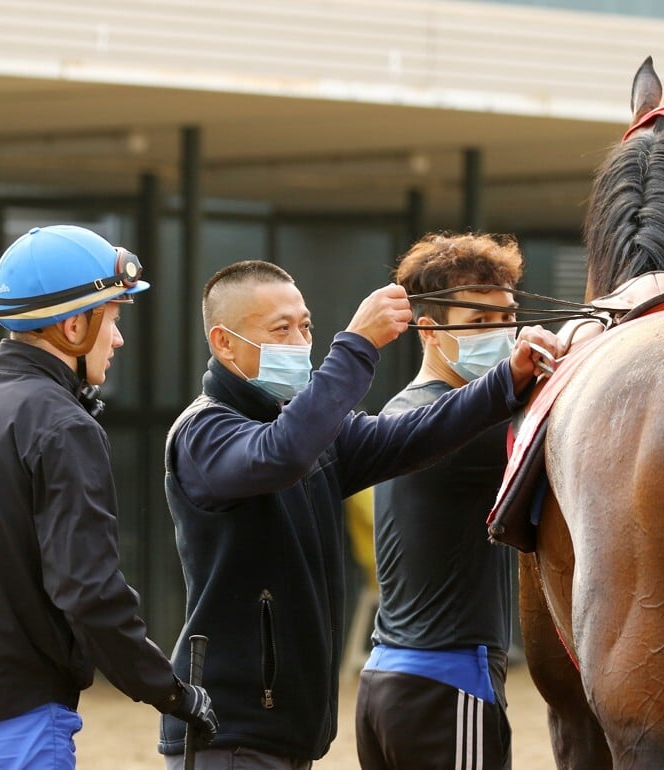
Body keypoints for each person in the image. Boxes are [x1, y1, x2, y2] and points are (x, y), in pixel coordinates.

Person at [158, 258, 562, 769]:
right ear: (224, 343)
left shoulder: (309, 430)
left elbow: (414, 434)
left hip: (285, 733)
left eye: (305, 326)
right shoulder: (203, 433)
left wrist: (510, 375)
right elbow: (282, 453)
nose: (299, 341)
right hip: (229, 729)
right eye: (280, 329)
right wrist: (358, 343)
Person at [0, 225, 217, 770]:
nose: (117, 338)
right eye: (112, 318)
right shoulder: (60, 424)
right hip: (16, 720)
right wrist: (170, 691)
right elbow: (89, 591)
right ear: (74, 325)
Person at [355, 232, 524, 770]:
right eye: (478, 324)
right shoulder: (458, 428)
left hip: (389, 683)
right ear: (429, 331)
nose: (501, 336)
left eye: (508, 318)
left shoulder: (404, 411)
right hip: (449, 685)